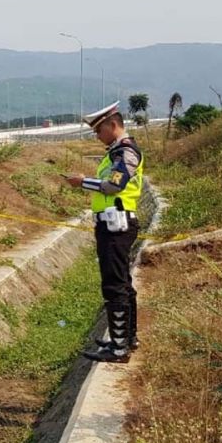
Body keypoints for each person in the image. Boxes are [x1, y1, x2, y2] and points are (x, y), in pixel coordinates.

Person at [66, 102, 144, 363]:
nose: (98, 136)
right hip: (113, 224)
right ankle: (126, 338)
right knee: (122, 282)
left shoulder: (126, 152)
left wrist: (82, 182)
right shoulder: (115, 152)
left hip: (116, 225)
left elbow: (114, 186)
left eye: (99, 131)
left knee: (114, 286)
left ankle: (119, 348)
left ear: (113, 125)